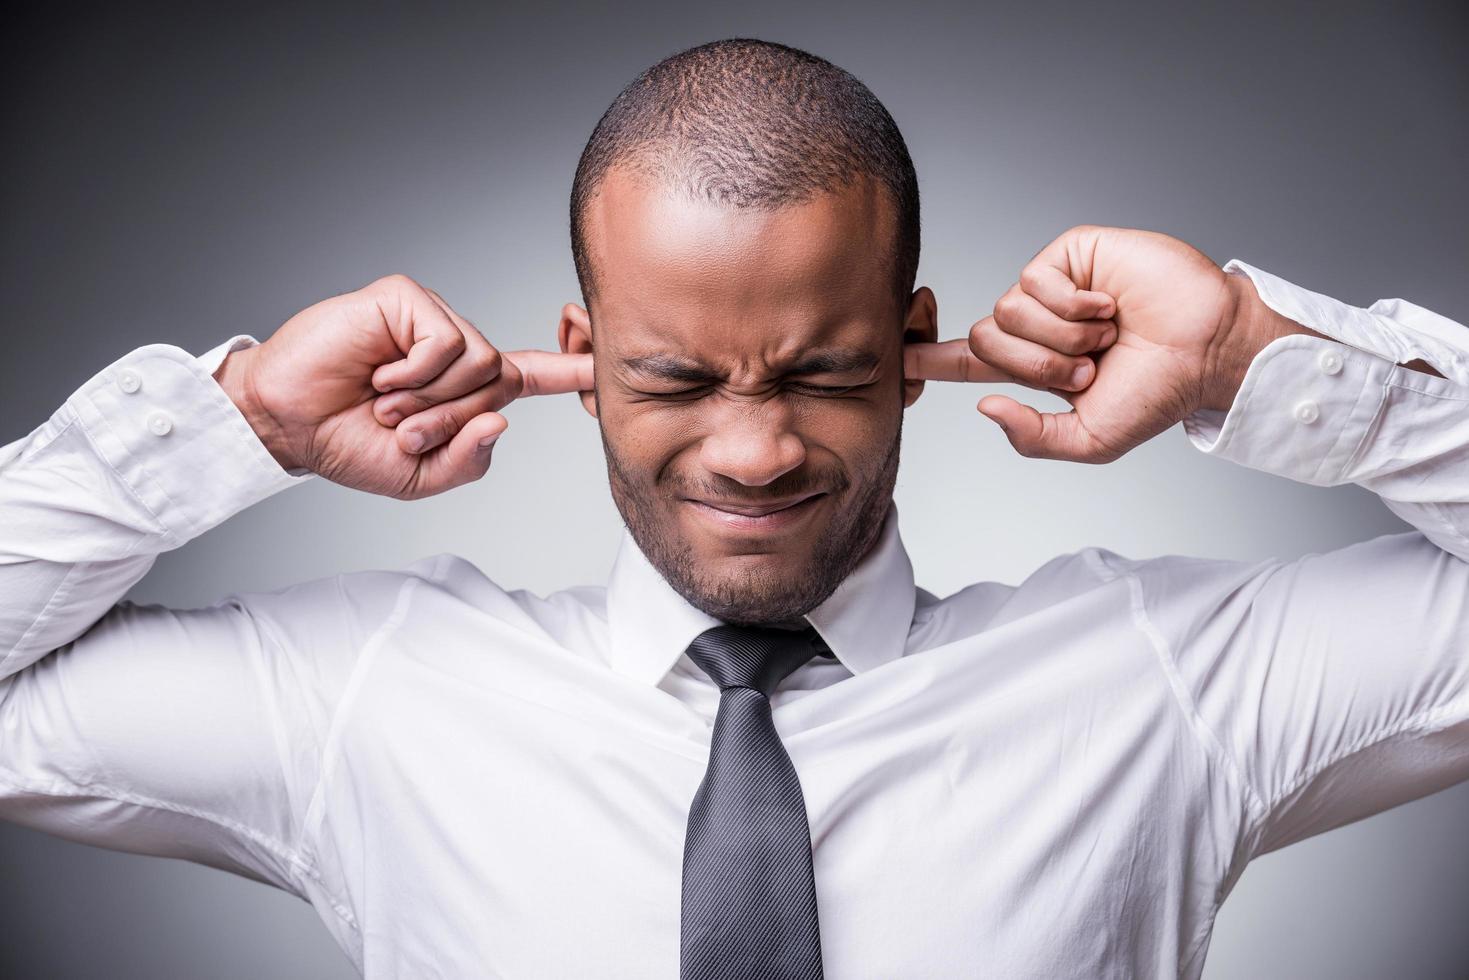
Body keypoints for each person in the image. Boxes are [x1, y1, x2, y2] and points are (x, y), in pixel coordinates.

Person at [1, 36, 1466, 980]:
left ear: (915, 349)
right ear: (575, 365)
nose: (755, 449)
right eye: (676, 377)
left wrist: (1244, 357)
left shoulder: (1163, 681)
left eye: (824, 374)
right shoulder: (369, 695)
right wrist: (237, 423)